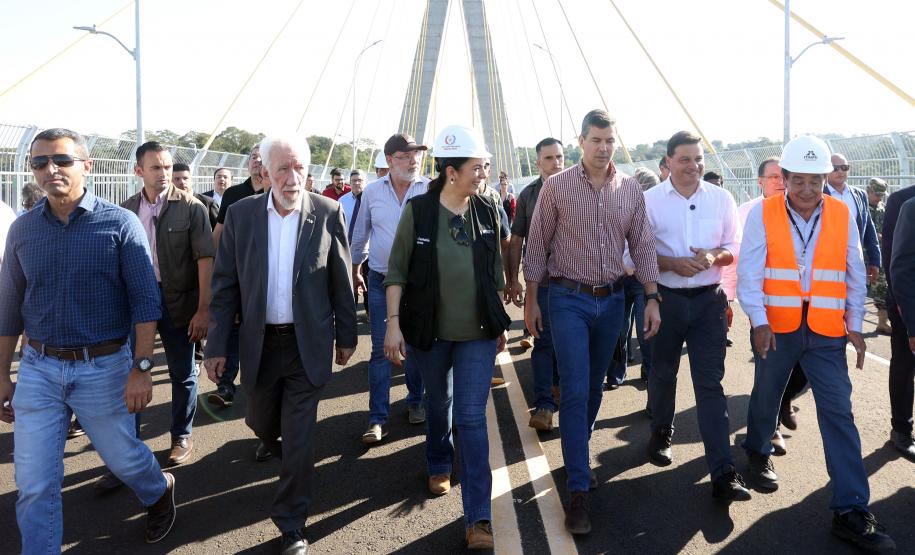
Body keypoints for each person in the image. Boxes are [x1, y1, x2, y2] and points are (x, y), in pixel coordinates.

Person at [0, 128, 176, 551]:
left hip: (104, 367)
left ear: (87, 166)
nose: (50, 170)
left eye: (61, 160)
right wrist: (3, 374)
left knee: (123, 457)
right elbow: (8, 307)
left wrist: (142, 368)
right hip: (39, 369)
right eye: (39, 163)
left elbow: (145, 304)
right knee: (35, 484)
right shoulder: (22, 230)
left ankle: (158, 489)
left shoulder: (119, 223)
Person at [738, 135, 895, 551]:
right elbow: (750, 271)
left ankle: (850, 508)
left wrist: (854, 324)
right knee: (767, 393)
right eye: (799, 181)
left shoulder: (842, 213)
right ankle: (757, 450)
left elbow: (854, 269)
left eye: (816, 180)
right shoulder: (764, 213)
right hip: (778, 325)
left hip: (826, 332)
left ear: (827, 178)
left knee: (839, 413)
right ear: (784, 178)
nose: (808, 190)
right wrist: (758, 320)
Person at [205, 135, 357, 555]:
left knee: (300, 435)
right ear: (265, 171)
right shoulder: (241, 214)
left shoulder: (328, 213)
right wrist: (216, 347)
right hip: (260, 346)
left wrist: (346, 336)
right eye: (284, 169)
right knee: (260, 422)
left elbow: (341, 280)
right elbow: (224, 286)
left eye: (300, 169)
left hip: (306, 344)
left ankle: (292, 522)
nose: (293, 178)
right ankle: (293, 458)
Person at [524, 109, 661, 535]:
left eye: (610, 141)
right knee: (577, 386)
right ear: (581, 141)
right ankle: (578, 490)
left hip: (613, 301)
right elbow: (537, 243)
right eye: (596, 140)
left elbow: (642, 244)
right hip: (567, 299)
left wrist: (653, 297)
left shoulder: (630, 190)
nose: (604, 148)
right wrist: (531, 299)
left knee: (597, 385)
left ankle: (576, 454)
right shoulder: (557, 187)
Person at [384, 125, 509, 550]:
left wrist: (498, 326)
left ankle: (479, 519)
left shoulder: (488, 210)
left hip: (476, 335)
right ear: (451, 172)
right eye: (477, 168)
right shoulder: (418, 212)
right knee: (440, 403)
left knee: (472, 417)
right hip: (429, 334)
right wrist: (392, 324)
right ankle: (439, 460)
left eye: (485, 167)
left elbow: (494, 277)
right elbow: (397, 271)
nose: (484, 175)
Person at [643, 131, 749, 501]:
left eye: (699, 159)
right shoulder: (648, 202)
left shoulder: (721, 198)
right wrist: (670, 263)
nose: (694, 166)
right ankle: (660, 432)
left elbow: (735, 245)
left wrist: (713, 257)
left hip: (709, 303)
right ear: (668, 162)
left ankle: (723, 470)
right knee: (662, 372)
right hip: (666, 300)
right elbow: (631, 255)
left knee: (710, 385)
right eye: (685, 159)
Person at [123, 142, 215, 466]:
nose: (164, 174)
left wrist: (203, 310)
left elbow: (205, 260)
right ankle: (129, 447)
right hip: (139, 304)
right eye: (155, 168)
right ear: (139, 171)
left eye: (166, 167)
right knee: (135, 370)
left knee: (183, 373)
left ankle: (181, 436)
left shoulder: (192, 208)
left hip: (179, 302)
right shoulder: (127, 210)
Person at [350, 133, 429, 443]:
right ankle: (377, 418)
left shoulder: (430, 189)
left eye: (416, 155)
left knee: (417, 348)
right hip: (381, 281)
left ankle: (415, 401)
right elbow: (360, 235)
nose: (413, 160)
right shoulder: (371, 192)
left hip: (419, 285)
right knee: (383, 351)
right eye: (405, 155)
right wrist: (354, 270)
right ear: (389, 160)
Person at [721, 157, 793, 455]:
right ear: (760, 182)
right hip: (763, 310)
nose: (779, 181)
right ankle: (769, 431)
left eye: (782, 176)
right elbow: (735, 261)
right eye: (773, 176)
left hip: (805, 311)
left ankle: (782, 405)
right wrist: (726, 298)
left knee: (796, 372)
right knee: (768, 371)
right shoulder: (746, 212)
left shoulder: (802, 208)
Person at [505, 137, 564, 431]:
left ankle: (557, 387)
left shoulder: (578, 189)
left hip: (575, 282)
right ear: (538, 162)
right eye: (550, 158)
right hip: (542, 281)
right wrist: (512, 279)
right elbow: (516, 239)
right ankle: (544, 405)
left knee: (566, 343)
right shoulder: (528, 195)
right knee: (542, 340)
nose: (556, 163)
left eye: (560, 157)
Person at [883, 182, 915, 460]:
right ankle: (901, 429)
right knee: (905, 364)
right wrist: (903, 308)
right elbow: (894, 258)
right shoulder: (903, 201)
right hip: (906, 302)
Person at [340, 169, 368, 314]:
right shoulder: (342, 201)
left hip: (370, 251)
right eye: (354, 181)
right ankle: (351, 314)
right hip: (348, 250)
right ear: (349, 183)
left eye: (360, 180)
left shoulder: (371, 199)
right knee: (350, 285)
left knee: (368, 285)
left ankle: (370, 314)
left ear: (365, 182)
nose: (357, 183)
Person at [867, 177, 891, 334]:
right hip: (862, 255)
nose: (879, 198)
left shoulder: (883, 208)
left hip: (879, 256)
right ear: (868, 191)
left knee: (882, 287)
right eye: (877, 194)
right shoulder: (859, 206)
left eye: (882, 195)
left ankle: (882, 322)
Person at [173, 163, 219, 229]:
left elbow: (218, 231)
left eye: (185, 178)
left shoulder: (208, 203)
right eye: (177, 179)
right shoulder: (166, 204)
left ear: (191, 180)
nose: (182, 182)